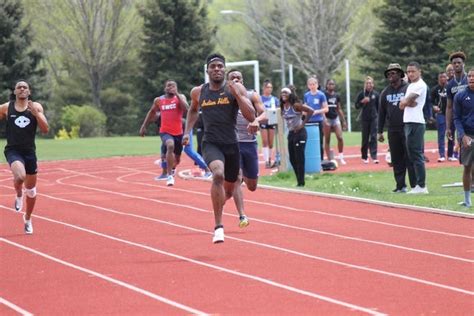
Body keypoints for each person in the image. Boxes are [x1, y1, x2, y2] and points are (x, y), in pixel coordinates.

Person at [183, 53, 256, 243]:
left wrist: (238, 95)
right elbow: (192, 110)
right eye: (213, 66)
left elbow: (251, 115)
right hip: (211, 142)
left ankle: (220, 203)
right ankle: (218, 227)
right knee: (217, 174)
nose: (216, 69)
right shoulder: (198, 92)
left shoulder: (234, 88)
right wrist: (186, 132)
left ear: (224, 69)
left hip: (232, 144)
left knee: (230, 189)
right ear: (207, 70)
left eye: (220, 66)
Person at [0, 80, 49, 234]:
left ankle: (27, 218)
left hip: (29, 153)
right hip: (13, 150)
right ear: (15, 92)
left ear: (29, 91)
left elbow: (46, 129)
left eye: (25, 87)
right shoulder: (7, 107)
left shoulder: (36, 107)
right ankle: (18, 193)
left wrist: (36, 114)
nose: (22, 89)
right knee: (20, 176)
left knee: (32, 191)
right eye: (19, 87)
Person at [227, 69, 266, 228]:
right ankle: (242, 215)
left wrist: (256, 120)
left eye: (238, 77)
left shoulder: (252, 95)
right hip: (232, 142)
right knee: (235, 179)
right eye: (232, 78)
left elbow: (264, 114)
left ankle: (240, 179)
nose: (236, 79)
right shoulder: (224, 98)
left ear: (242, 80)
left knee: (252, 186)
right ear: (228, 81)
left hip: (249, 144)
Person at [140, 80, 188, 186]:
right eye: (168, 86)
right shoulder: (159, 100)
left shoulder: (181, 97)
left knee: (178, 158)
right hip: (165, 131)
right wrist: (144, 126)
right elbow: (151, 112)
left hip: (179, 132)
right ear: (164, 88)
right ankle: (169, 176)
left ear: (177, 88)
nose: (170, 87)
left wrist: (177, 94)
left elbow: (186, 109)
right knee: (170, 145)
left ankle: (173, 168)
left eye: (173, 86)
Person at [378, 63, 416, 193]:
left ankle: (415, 186)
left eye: (393, 73)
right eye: (388, 74)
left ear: (400, 74)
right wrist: (379, 131)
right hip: (392, 129)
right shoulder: (385, 92)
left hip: (407, 127)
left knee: (409, 157)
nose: (390, 75)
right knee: (396, 158)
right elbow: (381, 113)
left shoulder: (408, 89)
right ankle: (400, 186)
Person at [399, 61, 428, 194]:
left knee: (416, 154)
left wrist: (406, 102)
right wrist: (407, 102)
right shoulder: (411, 85)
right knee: (411, 154)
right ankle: (417, 185)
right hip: (409, 121)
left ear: (419, 71)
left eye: (413, 71)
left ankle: (422, 186)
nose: (410, 74)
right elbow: (404, 104)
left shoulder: (420, 85)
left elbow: (405, 102)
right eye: (408, 71)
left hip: (416, 122)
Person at [281, 87, 315, 187]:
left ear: (290, 94)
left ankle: (301, 182)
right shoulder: (283, 106)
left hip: (300, 133)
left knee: (299, 157)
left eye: (286, 93)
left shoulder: (295, 105)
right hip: (291, 133)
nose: (283, 94)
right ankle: (299, 180)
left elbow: (311, 111)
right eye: (282, 93)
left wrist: (302, 124)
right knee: (292, 158)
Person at [453, 68, 474, 207]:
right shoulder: (460, 96)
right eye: (470, 76)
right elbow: (457, 118)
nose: (472, 78)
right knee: (467, 167)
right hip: (468, 135)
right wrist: (462, 136)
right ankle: (467, 201)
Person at [446, 52, 468, 157]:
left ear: (463, 64)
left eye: (459, 62)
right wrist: (448, 127)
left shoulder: (470, 80)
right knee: (465, 155)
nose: (456, 65)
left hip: (471, 118)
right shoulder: (450, 84)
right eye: (454, 63)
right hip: (459, 122)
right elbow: (449, 107)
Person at [355, 76, 380, 164]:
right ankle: (364, 156)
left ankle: (374, 156)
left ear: (373, 84)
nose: (369, 85)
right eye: (367, 83)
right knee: (365, 138)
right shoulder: (361, 94)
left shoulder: (376, 94)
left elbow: (379, 107)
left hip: (374, 118)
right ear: (365, 85)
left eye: (370, 83)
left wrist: (378, 117)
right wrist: (362, 101)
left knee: (373, 137)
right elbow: (356, 106)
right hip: (365, 119)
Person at [303, 76, 328, 160]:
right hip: (308, 121)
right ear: (308, 86)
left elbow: (326, 108)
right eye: (310, 84)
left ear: (317, 85)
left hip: (318, 121)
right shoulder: (306, 95)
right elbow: (305, 107)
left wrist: (317, 111)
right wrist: (305, 111)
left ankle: (320, 160)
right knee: (309, 141)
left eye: (314, 84)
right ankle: (310, 159)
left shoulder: (321, 95)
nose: (312, 86)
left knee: (319, 141)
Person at [323, 79, 347, 164]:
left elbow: (339, 108)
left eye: (333, 84)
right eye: (330, 84)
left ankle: (341, 156)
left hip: (335, 118)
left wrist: (344, 120)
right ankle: (330, 159)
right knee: (327, 139)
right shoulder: (324, 95)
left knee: (340, 137)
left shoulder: (337, 95)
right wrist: (324, 118)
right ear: (327, 85)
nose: (331, 86)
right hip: (327, 118)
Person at [431, 72, 452, 162]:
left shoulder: (451, 88)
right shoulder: (435, 89)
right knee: (441, 134)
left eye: (444, 77)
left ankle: (451, 155)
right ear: (438, 79)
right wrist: (433, 107)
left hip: (451, 114)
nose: (443, 79)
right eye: (441, 77)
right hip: (440, 114)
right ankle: (442, 155)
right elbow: (430, 102)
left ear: (447, 78)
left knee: (451, 134)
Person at [259, 80, 279, 168]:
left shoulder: (274, 99)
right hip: (263, 122)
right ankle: (266, 161)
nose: (269, 89)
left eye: (271, 87)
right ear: (263, 88)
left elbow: (278, 110)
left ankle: (271, 158)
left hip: (272, 122)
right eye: (267, 87)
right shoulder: (260, 98)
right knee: (265, 141)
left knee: (271, 142)